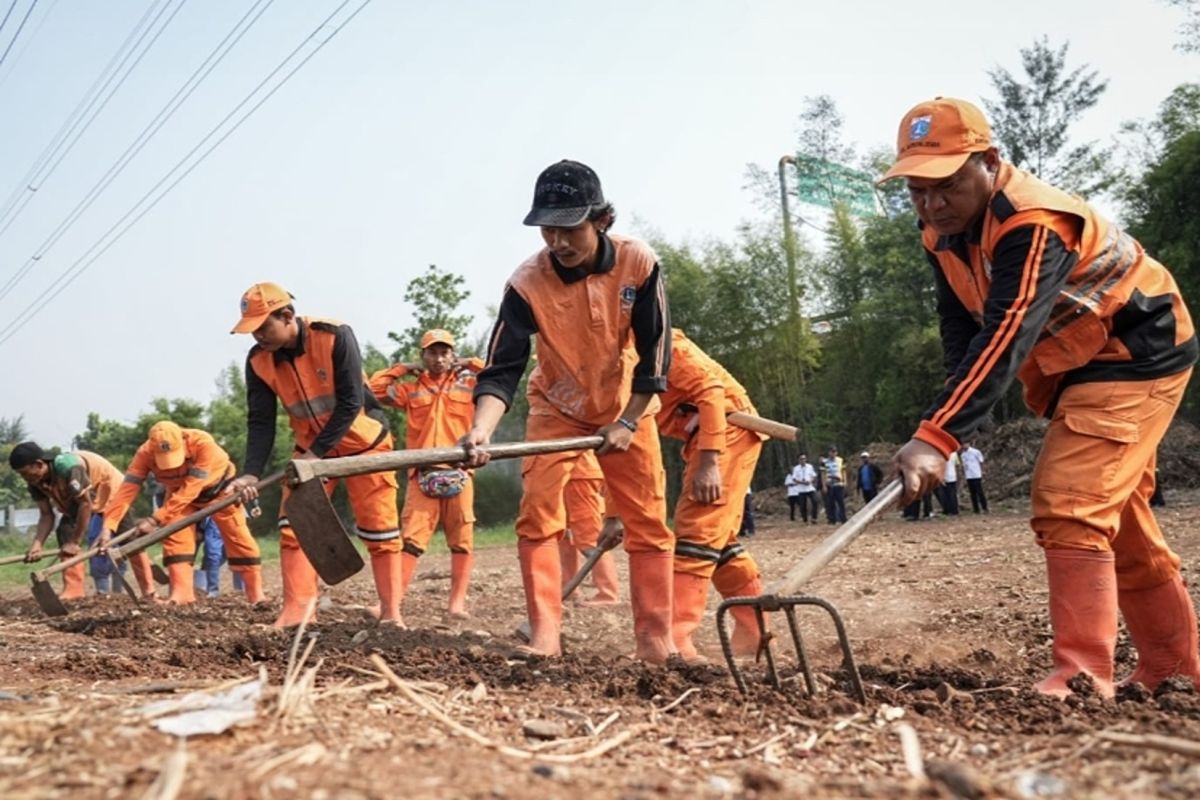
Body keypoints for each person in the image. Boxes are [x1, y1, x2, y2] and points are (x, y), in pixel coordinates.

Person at [883, 97, 1200, 698]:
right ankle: (1175, 670)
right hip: (1076, 366)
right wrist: (948, 424)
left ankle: (1080, 676)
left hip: (1133, 351)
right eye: (917, 191)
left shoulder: (1034, 223)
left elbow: (1006, 332)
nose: (931, 203)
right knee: (1118, 523)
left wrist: (937, 435)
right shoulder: (941, 231)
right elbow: (962, 328)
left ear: (989, 161)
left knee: (1070, 505)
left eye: (946, 185)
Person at [461, 159, 675, 662]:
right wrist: (480, 430)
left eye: (568, 228)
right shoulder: (526, 284)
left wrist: (626, 421)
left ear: (601, 219)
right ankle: (545, 635)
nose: (557, 242)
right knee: (537, 514)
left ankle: (655, 639)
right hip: (556, 405)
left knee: (647, 521)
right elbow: (501, 369)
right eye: (547, 229)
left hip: (626, 405)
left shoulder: (638, 263)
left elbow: (656, 354)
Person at [228, 282, 403, 628]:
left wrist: (315, 455)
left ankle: (391, 614)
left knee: (380, 530)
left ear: (288, 316)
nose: (258, 337)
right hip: (309, 449)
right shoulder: (259, 361)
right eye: (252, 331)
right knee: (294, 524)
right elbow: (260, 421)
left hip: (362, 443)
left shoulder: (335, 335)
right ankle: (298, 612)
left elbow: (352, 403)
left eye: (264, 327)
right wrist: (250, 472)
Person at [655, 329, 769, 660]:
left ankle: (675, 639)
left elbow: (710, 390)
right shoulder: (606, 358)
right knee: (720, 540)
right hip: (703, 435)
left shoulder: (660, 341)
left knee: (697, 531)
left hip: (726, 428)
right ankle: (754, 631)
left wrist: (709, 460)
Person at [368, 328, 483, 620]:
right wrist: (404, 368)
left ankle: (457, 604)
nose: (439, 358)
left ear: (452, 354)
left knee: (462, 539)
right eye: (432, 352)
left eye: (444, 352)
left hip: (461, 471)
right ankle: (391, 603)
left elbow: (500, 376)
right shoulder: (411, 389)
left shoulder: (469, 385)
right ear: (423, 356)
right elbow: (374, 388)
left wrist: (469, 362)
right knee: (410, 540)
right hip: (422, 474)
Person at [103, 422, 266, 606]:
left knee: (238, 538)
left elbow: (191, 489)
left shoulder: (203, 443)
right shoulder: (144, 454)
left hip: (221, 492)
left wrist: (155, 519)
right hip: (177, 494)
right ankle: (181, 595)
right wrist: (109, 526)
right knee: (175, 537)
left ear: (183, 439)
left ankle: (256, 595)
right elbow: (127, 490)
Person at [9, 443, 156, 600]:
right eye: (20, 475)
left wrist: (76, 542)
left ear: (39, 464)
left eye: (25, 473)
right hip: (80, 499)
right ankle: (74, 591)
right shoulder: (35, 481)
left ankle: (148, 591)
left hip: (110, 491)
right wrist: (37, 545)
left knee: (128, 538)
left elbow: (85, 504)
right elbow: (46, 515)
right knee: (65, 531)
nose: (25, 478)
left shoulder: (69, 468)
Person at [556, 453, 621, 606]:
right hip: (565, 473)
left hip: (580, 473)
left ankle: (607, 594)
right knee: (564, 535)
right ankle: (570, 590)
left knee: (590, 536)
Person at [789, 454, 819, 524]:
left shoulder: (810, 466)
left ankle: (814, 518)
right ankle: (805, 519)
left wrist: (810, 481)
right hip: (801, 489)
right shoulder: (796, 468)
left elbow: (814, 476)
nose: (803, 460)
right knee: (803, 505)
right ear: (799, 460)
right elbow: (794, 479)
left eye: (804, 459)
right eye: (801, 459)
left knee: (815, 501)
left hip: (810, 488)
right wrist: (802, 482)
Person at [821, 446, 847, 523]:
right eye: (831, 452)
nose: (832, 453)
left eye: (834, 452)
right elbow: (823, 474)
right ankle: (832, 519)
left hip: (838, 484)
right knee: (830, 503)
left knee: (841, 502)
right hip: (829, 484)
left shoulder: (841, 460)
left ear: (836, 452)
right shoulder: (824, 462)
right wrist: (824, 485)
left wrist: (845, 482)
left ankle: (843, 518)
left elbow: (843, 471)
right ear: (828, 452)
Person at [961, 443, 988, 514]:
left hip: (976, 474)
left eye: (965, 444)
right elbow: (964, 465)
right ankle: (976, 509)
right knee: (972, 493)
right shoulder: (963, 455)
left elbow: (981, 461)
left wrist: (983, 471)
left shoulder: (976, 452)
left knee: (979, 492)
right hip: (969, 475)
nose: (964, 446)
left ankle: (984, 507)